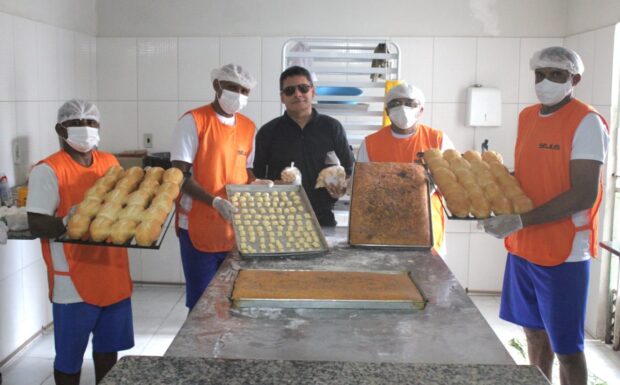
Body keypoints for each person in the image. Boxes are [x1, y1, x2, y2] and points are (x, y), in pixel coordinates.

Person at [481, 47, 609, 385]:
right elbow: (531, 176)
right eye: (540, 74)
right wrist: (494, 187)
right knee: (534, 336)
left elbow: (584, 193)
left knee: (567, 348)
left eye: (556, 75)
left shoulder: (587, 122)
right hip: (524, 247)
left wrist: (521, 219)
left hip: (563, 252)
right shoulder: (527, 117)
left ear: (574, 79)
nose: (545, 82)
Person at [27, 100, 134, 385]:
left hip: (112, 272)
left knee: (108, 350)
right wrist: (66, 221)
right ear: (61, 129)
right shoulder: (48, 170)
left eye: (92, 123)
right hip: (72, 280)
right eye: (78, 123)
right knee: (70, 358)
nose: (86, 129)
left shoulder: (109, 163)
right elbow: (36, 223)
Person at [171, 63, 269, 311]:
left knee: (231, 299)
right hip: (198, 226)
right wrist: (214, 201)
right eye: (232, 88)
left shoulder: (248, 127)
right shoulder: (194, 121)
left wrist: (255, 182)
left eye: (245, 91)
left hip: (234, 229)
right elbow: (179, 176)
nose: (239, 95)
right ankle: (199, 348)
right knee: (202, 303)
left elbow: (245, 169)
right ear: (217, 86)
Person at [357, 83, 454, 257]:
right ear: (387, 111)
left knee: (429, 282)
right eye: (396, 103)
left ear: (421, 110)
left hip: (428, 228)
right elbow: (363, 189)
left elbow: (453, 183)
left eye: (410, 103)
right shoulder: (371, 143)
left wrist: (432, 184)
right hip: (384, 228)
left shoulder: (438, 139)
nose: (403, 108)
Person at [253, 66, 355, 226]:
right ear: (282, 97)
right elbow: (256, 177)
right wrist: (273, 184)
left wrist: (341, 187)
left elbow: (350, 168)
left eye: (303, 88)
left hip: (322, 217)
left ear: (312, 92)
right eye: (290, 91)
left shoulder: (332, 127)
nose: (297, 94)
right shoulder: (268, 132)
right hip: (279, 218)